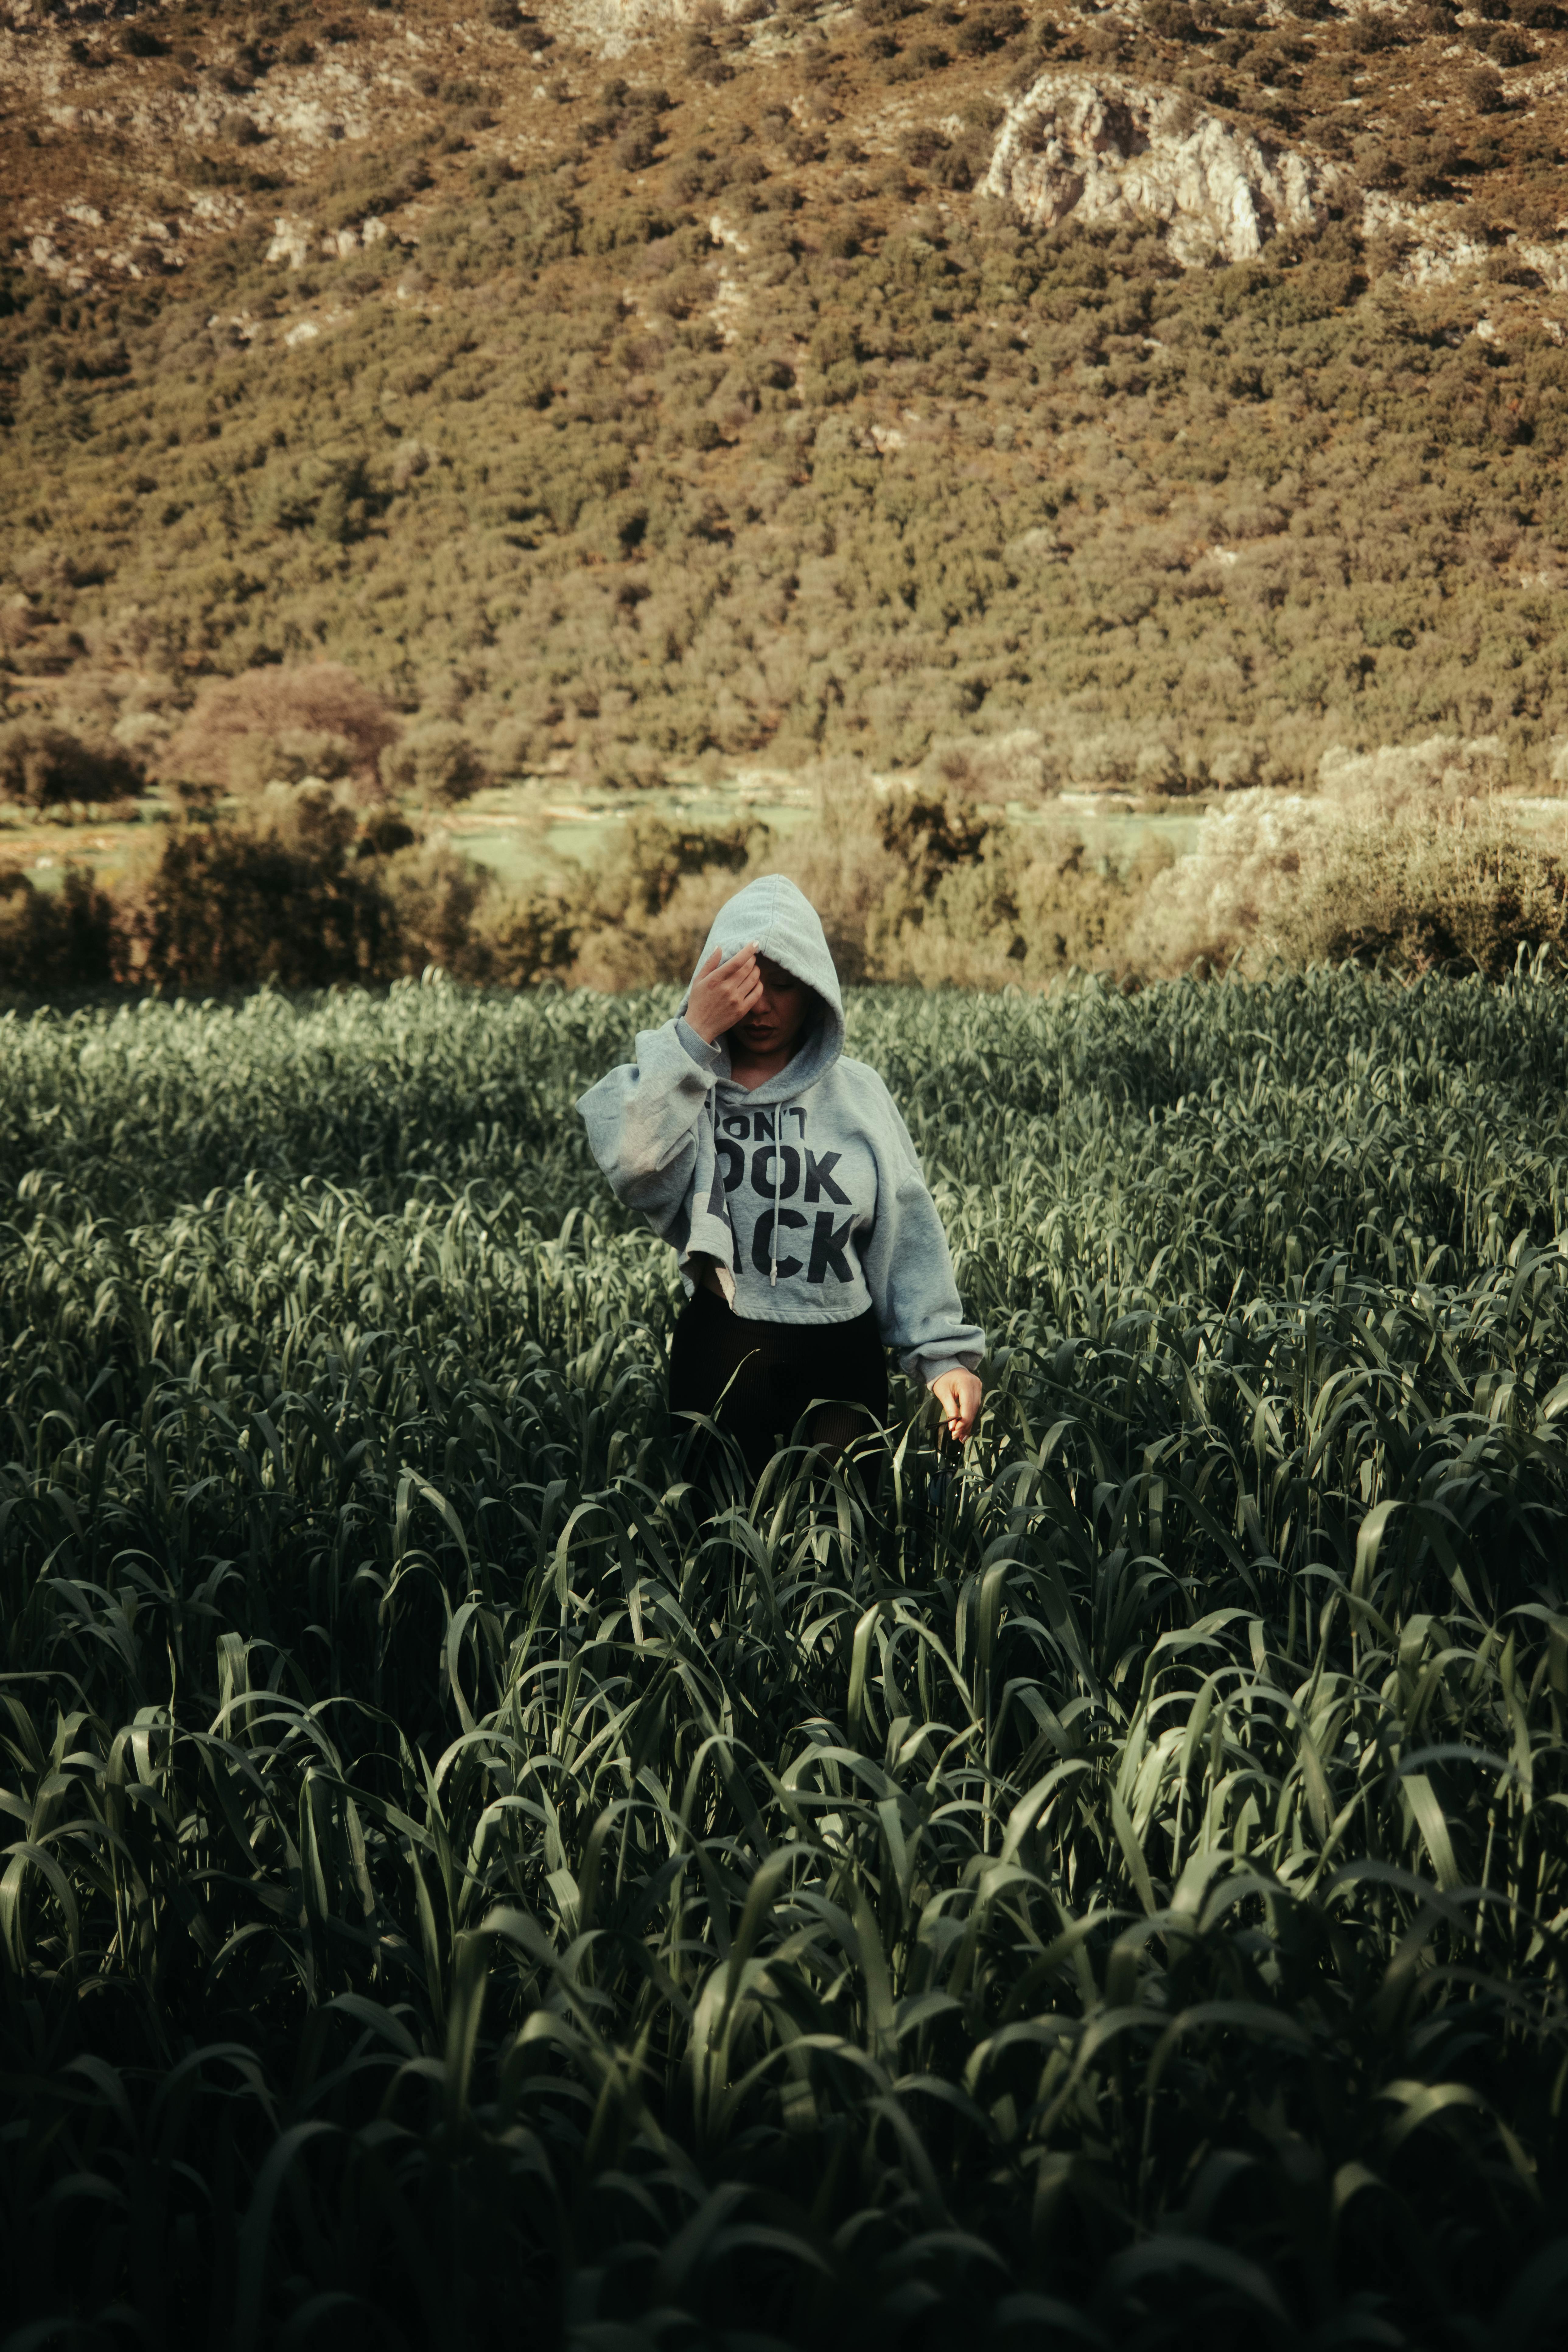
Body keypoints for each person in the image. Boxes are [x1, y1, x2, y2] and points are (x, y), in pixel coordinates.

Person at [577, 873, 984, 1488]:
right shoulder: (687, 1090)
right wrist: (691, 1036)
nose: (762, 1005)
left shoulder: (858, 1095)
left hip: (841, 1355)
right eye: (741, 985)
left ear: (816, 989)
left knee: (843, 1554)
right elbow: (633, 1164)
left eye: (785, 985)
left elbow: (906, 1230)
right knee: (720, 1558)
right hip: (720, 1349)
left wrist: (943, 1357)